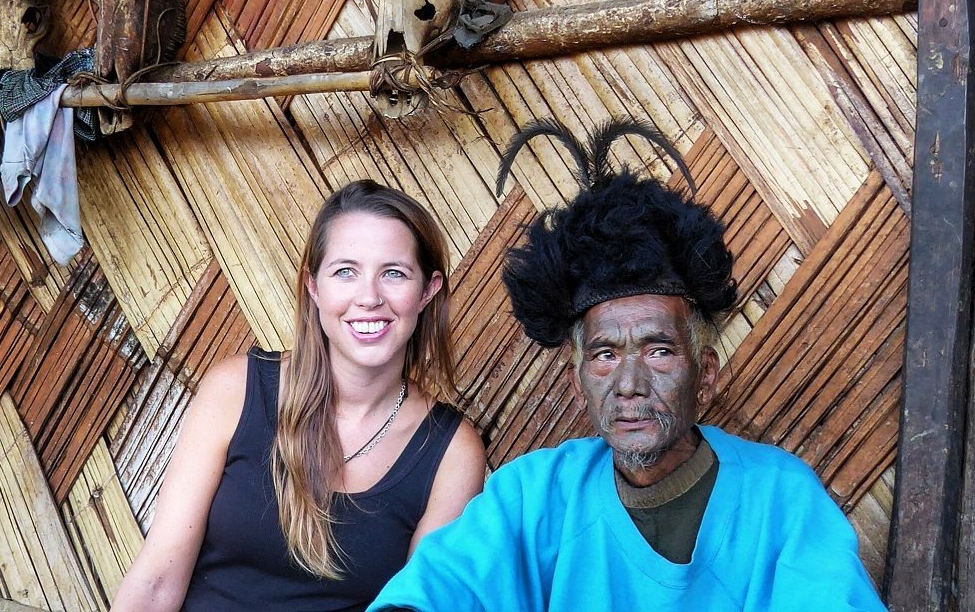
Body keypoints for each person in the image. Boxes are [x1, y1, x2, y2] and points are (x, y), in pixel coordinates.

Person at [369, 119, 888, 612]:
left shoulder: (782, 499)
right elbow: (437, 589)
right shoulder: (532, 497)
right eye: (604, 355)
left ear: (705, 374)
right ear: (577, 384)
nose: (630, 384)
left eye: (659, 350)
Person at [112, 180, 486, 612]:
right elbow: (157, 582)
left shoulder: (452, 452)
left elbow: (417, 607)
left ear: (427, 291)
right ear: (313, 286)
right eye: (345, 271)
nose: (368, 297)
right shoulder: (234, 391)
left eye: (394, 273)